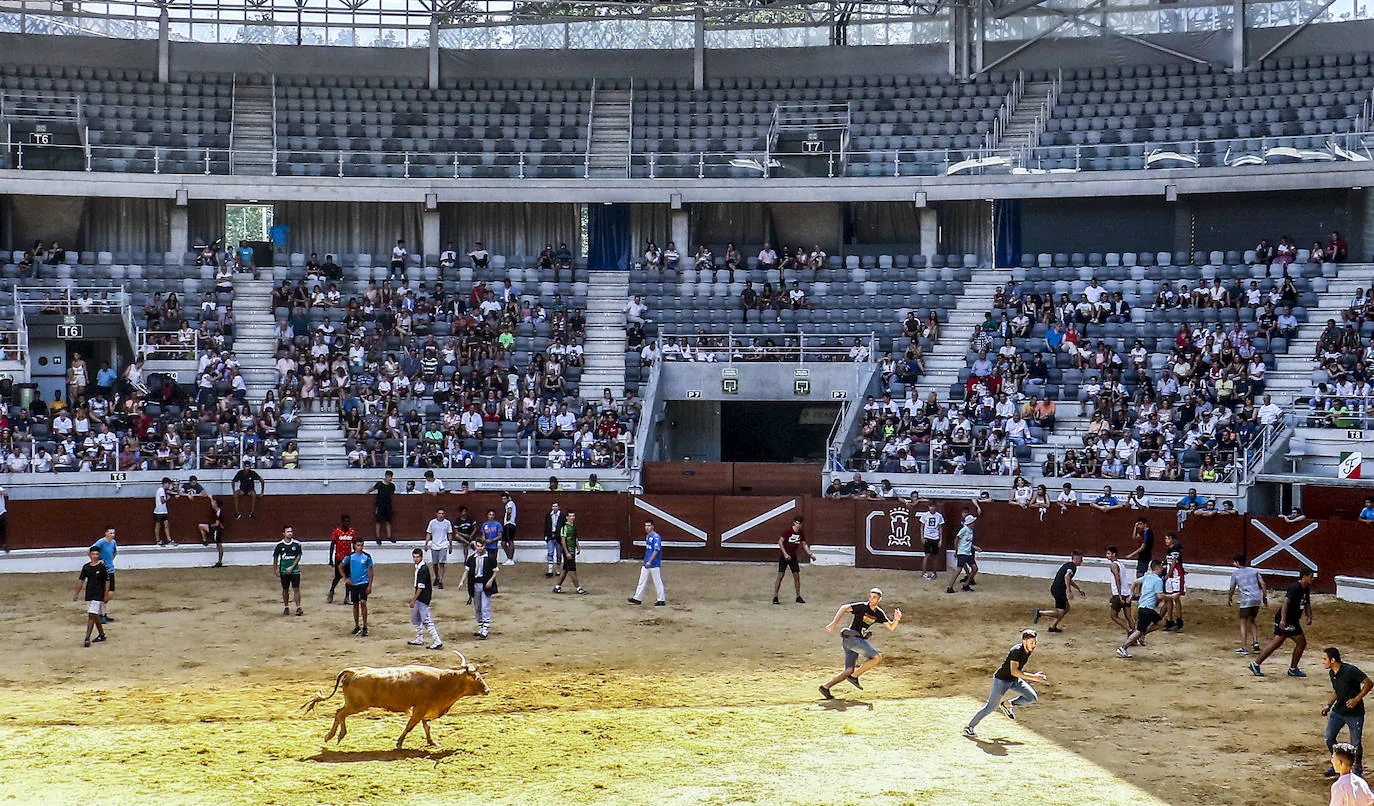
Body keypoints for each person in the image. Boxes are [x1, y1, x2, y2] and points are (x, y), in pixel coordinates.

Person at [819, 587, 902, 699]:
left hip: (851, 641)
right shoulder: (862, 607)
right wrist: (833, 624)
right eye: (870, 596)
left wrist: (897, 619)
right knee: (877, 658)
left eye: (874, 597)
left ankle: (825, 687)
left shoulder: (878, 613)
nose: (871, 599)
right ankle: (854, 677)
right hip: (853, 639)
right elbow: (844, 607)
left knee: (849, 670)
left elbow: (891, 627)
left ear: (879, 600)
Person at [964, 629, 1046, 737]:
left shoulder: (1028, 650)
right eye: (1032, 642)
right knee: (990, 707)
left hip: (1014, 680)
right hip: (1001, 681)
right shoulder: (1016, 651)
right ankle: (969, 727)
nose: (1034, 645)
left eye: (1035, 642)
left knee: (1031, 697)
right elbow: (1014, 671)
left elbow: (1015, 673)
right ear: (1024, 641)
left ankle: (1007, 704)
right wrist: (1034, 677)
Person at [1250, 568, 1315, 677]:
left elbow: (1307, 603)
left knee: (1277, 642)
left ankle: (1256, 664)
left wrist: (1309, 616)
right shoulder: (1295, 588)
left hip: (1292, 620)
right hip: (1288, 620)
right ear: (1305, 576)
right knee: (1301, 642)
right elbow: (1285, 603)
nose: (1313, 578)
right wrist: (1283, 620)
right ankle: (1292, 669)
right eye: (1311, 576)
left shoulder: (1305, 588)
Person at [1324, 648, 1372, 778]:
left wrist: (1356, 699)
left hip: (1354, 713)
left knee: (1355, 743)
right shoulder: (1332, 673)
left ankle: (1357, 769)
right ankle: (1339, 764)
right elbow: (1336, 691)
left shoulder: (1350, 670)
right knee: (1329, 737)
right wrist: (1329, 705)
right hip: (1338, 711)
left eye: (1325, 659)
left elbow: (1369, 683)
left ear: (1333, 660)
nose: (1323, 662)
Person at [1118, 560, 1167, 658]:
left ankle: (1142, 635)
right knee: (1139, 631)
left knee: (1161, 623)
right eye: (1161, 567)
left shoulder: (1147, 577)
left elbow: (1135, 582)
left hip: (1144, 607)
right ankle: (1123, 647)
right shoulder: (1158, 580)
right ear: (1157, 568)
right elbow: (1160, 596)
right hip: (1147, 608)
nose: (1163, 569)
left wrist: (1132, 594)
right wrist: (1171, 597)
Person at [1227, 553, 1268, 655]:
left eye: (1234, 562)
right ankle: (1255, 643)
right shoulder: (1254, 571)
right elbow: (1263, 584)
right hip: (1257, 599)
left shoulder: (1235, 574)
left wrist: (1229, 599)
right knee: (1252, 621)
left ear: (1237, 562)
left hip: (1246, 600)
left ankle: (1244, 647)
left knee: (1243, 623)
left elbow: (1232, 588)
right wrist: (1264, 597)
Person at [1033, 551, 1084, 632]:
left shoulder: (1068, 565)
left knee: (1066, 608)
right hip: (1059, 590)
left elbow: (1069, 579)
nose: (1082, 561)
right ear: (1076, 558)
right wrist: (1069, 590)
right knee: (1060, 612)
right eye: (1081, 559)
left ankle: (1052, 627)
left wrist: (1078, 588)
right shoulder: (1072, 566)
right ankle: (1040, 613)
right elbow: (1066, 576)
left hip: (1057, 589)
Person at [461, 538, 499, 639]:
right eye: (478, 546)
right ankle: (481, 626)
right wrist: (462, 581)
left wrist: (490, 581)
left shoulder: (490, 558)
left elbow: (495, 571)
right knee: (477, 607)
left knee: (485, 607)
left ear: (484, 546)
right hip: (475, 585)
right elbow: (467, 571)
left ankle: (485, 628)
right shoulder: (471, 558)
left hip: (485, 584)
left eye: (481, 546)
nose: (479, 548)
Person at [73, 546, 110, 647]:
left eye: (97, 554)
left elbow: (107, 581)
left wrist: (106, 595)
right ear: (89, 555)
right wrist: (77, 594)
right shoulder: (86, 567)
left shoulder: (102, 567)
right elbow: (81, 580)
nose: (95, 556)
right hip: (90, 593)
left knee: (91, 614)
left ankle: (87, 638)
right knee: (94, 615)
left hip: (99, 593)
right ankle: (102, 634)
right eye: (93, 554)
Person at [407, 548, 443, 650]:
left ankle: (437, 640)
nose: (415, 559)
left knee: (426, 620)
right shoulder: (420, 567)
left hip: (423, 598)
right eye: (414, 557)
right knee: (416, 618)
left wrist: (414, 599)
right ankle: (419, 638)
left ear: (421, 557)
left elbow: (420, 587)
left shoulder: (422, 569)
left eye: (417, 557)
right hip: (422, 597)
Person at [946, 499, 983, 594]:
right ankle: (949, 587)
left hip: (968, 552)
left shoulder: (970, 531)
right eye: (973, 522)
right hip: (962, 552)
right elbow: (956, 539)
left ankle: (966, 585)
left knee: (975, 568)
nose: (974, 523)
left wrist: (975, 548)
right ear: (970, 523)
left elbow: (968, 542)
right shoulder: (964, 530)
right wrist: (956, 551)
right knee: (958, 570)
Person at [773, 516, 812, 605]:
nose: (798, 525)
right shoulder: (788, 531)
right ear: (794, 522)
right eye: (797, 523)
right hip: (784, 556)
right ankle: (775, 596)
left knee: (796, 576)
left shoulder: (801, 533)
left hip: (793, 557)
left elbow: (804, 544)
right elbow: (780, 542)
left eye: (799, 523)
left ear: (801, 524)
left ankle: (798, 596)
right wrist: (785, 554)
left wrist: (810, 554)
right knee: (781, 575)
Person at [628, 518, 666, 606]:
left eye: (648, 526)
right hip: (647, 562)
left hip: (654, 563)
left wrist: (650, 561)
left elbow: (656, 550)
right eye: (645, 526)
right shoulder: (648, 536)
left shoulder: (656, 537)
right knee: (642, 580)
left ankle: (661, 600)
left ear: (652, 526)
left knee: (657, 581)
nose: (647, 528)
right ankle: (637, 598)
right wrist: (646, 561)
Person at [343, 539, 375, 637]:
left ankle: (365, 626)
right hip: (354, 584)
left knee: (363, 602)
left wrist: (369, 585)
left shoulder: (367, 557)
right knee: (355, 604)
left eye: (362, 545)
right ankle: (357, 626)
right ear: (354, 546)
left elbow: (370, 572)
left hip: (363, 583)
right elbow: (341, 566)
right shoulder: (350, 556)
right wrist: (345, 578)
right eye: (358, 545)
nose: (360, 547)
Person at [553, 511, 586, 595]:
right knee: (572, 569)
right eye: (570, 516)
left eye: (573, 516)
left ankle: (557, 587)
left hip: (572, 551)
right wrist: (566, 552)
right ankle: (578, 588)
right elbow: (563, 541)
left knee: (565, 569)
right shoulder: (564, 527)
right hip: (567, 551)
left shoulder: (573, 527)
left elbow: (575, 538)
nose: (572, 517)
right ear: (567, 517)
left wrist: (578, 547)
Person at [273, 526, 303, 617]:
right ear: (284, 533)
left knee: (296, 588)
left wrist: (292, 567)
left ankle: (298, 607)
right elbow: (276, 557)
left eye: (291, 531)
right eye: (288, 532)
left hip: (295, 570)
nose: (290, 533)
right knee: (285, 589)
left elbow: (298, 556)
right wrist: (275, 569)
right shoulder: (279, 545)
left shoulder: (297, 544)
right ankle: (286, 606)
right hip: (284, 570)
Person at [90, 527, 118, 624]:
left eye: (113, 533)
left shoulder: (113, 542)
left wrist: (109, 562)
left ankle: (102, 614)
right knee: (104, 593)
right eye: (110, 533)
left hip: (110, 570)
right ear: (106, 533)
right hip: (102, 571)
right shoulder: (101, 542)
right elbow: (91, 551)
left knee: (109, 593)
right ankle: (101, 615)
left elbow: (115, 552)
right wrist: (98, 562)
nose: (112, 535)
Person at [1160, 532, 1187, 632]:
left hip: (1175, 576)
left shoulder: (1175, 549)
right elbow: (1169, 563)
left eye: (1168, 538)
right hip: (1171, 575)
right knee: (1169, 599)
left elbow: (1173, 564)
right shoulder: (1171, 549)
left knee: (1175, 598)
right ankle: (1170, 620)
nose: (1166, 540)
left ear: (1173, 539)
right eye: (1166, 539)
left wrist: (1167, 574)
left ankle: (1178, 621)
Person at [327, 514, 356, 604]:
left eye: (348, 522)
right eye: (345, 521)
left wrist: (355, 557)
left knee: (348, 577)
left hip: (348, 558)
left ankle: (347, 597)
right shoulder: (337, 531)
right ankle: (331, 590)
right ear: (342, 522)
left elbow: (355, 544)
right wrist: (330, 559)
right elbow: (332, 545)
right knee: (338, 577)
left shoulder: (351, 532)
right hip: (339, 558)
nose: (347, 523)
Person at [1106, 545, 1133, 635]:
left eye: (1109, 553)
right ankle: (1135, 636)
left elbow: (1117, 578)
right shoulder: (1121, 564)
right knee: (1129, 616)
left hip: (1119, 594)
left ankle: (1129, 630)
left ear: (1114, 554)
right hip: (1127, 593)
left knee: (1113, 616)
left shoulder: (1113, 565)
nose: (1107, 555)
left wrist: (1119, 595)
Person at [423, 508, 453, 589]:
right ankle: (437, 577)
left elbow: (449, 534)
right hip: (434, 545)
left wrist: (450, 545)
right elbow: (428, 533)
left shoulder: (447, 523)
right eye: (439, 513)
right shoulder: (432, 522)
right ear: (436, 514)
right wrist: (426, 544)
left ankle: (440, 581)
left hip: (444, 545)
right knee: (435, 564)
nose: (441, 515)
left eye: (442, 513)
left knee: (441, 563)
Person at [917, 500, 945, 581]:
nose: (932, 508)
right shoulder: (925, 515)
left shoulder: (939, 516)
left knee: (935, 556)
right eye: (931, 506)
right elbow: (921, 526)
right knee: (927, 555)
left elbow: (940, 528)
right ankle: (924, 572)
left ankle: (934, 572)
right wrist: (922, 537)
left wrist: (940, 540)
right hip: (927, 537)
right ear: (928, 507)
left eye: (933, 506)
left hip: (935, 538)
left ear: (936, 507)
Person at [198, 496, 227, 568]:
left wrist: (210, 526)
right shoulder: (219, 511)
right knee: (219, 545)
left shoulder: (219, 513)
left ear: (216, 504)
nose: (213, 503)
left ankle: (205, 540)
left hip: (216, 530)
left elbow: (217, 524)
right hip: (217, 530)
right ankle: (219, 562)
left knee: (219, 545)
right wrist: (210, 498)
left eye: (214, 502)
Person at [370, 470, 397, 545]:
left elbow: (393, 495)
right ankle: (378, 537)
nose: (390, 478)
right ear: (386, 476)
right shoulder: (379, 484)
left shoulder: (392, 486)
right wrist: (366, 493)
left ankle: (389, 536)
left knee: (388, 521)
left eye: (391, 477)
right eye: (389, 477)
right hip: (380, 505)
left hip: (388, 505)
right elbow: (371, 489)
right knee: (378, 521)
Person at [542, 501, 567, 579]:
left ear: (558, 507)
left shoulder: (562, 515)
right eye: (553, 506)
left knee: (559, 554)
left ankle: (558, 569)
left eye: (556, 506)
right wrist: (545, 535)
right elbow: (546, 526)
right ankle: (550, 570)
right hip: (550, 536)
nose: (554, 508)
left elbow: (564, 526)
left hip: (558, 537)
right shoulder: (549, 515)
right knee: (550, 552)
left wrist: (564, 537)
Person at [153, 477, 177, 547]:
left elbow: (170, 492)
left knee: (166, 525)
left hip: (163, 511)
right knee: (158, 526)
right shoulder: (161, 490)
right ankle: (158, 540)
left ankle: (169, 540)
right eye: (169, 484)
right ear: (165, 484)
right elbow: (162, 500)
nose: (169, 486)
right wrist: (168, 498)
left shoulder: (162, 489)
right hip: (159, 511)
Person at [500, 492, 518, 566]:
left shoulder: (510, 504)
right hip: (509, 524)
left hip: (509, 524)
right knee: (504, 542)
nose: (503, 500)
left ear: (508, 498)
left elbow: (509, 510)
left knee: (509, 541)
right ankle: (509, 558)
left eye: (504, 499)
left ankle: (510, 559)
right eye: (502, 499)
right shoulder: (511, 503)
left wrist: (508, 518)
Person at [0, 484, 9, 552]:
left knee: (4, 531)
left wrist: (1, 492)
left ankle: (5, 545)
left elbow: (5, 493)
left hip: (2, 512)